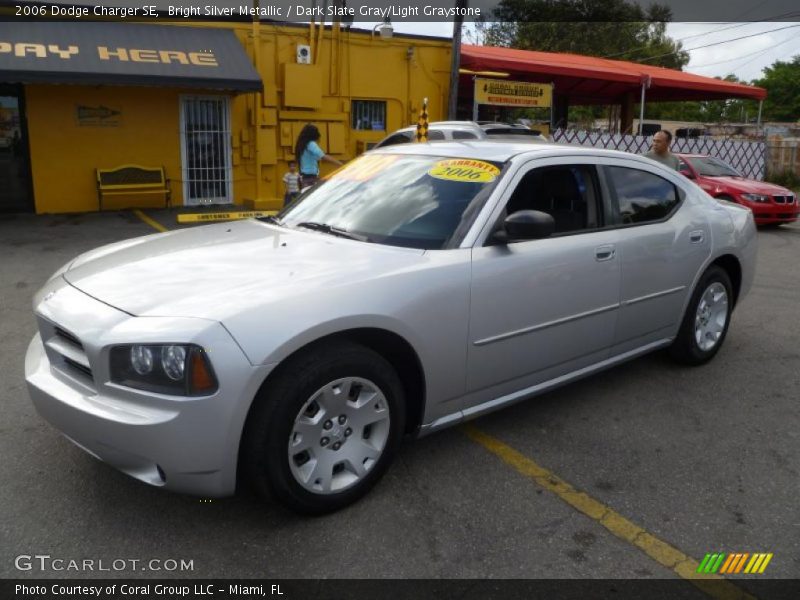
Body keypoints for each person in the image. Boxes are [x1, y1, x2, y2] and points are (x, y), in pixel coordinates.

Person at [294, 124, 342, 188]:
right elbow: (323, 156)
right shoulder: (310, 144)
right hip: (311, 178)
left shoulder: (301, 144)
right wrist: (340, 164)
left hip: (304, 177)